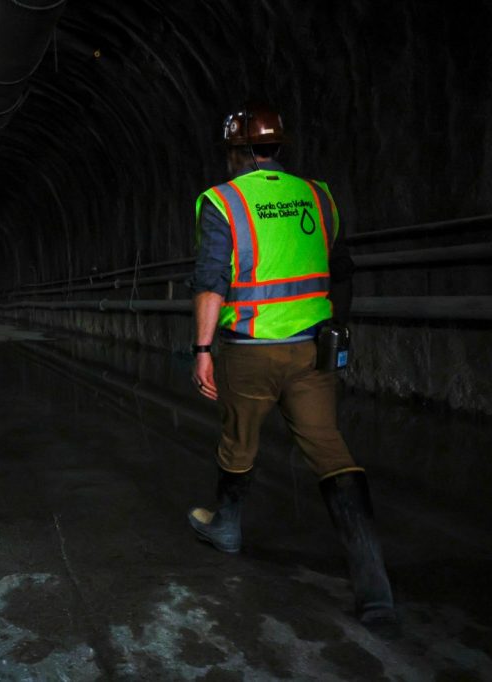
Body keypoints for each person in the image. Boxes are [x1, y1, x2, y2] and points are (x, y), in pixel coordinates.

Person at [186, 102, 395, 626]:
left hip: (250, 351)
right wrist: (335, 327)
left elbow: (212, 280)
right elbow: (341, 269)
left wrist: (203, 350)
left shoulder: (221, 201)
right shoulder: (319, 196)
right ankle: (374, 585)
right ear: (278, 147)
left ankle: (227, 527)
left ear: (236, 151)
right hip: (311, 352)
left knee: (239, 442)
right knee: (331, 450)